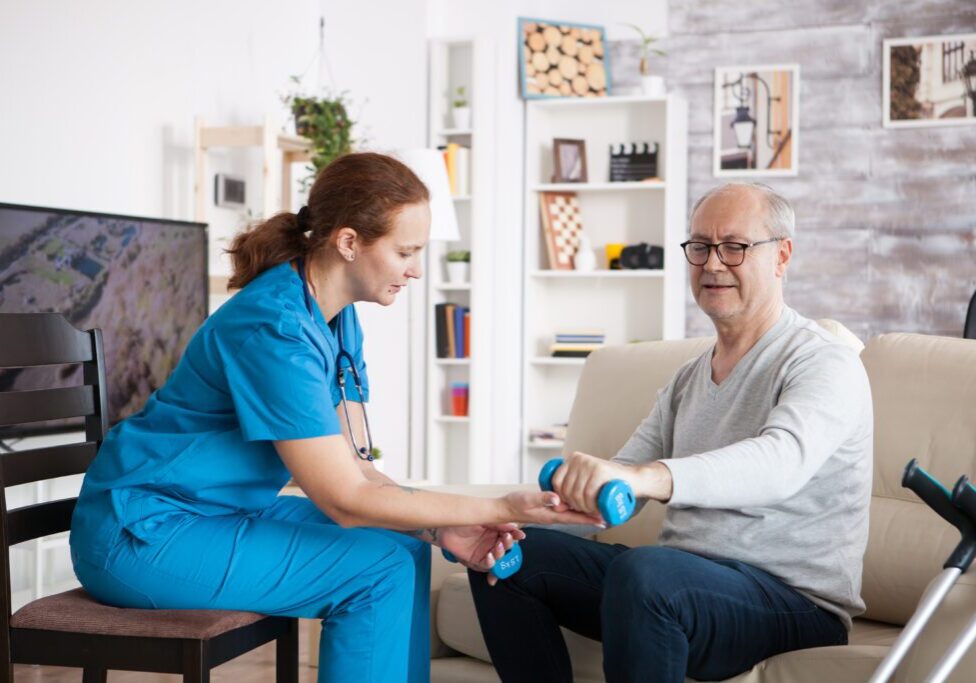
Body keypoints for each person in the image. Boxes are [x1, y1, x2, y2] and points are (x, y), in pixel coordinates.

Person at [69, 152, 599, 683]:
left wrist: (439, 527)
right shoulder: (274, 328)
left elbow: (359, 467)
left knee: (405, 546)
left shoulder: (337, 319)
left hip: (217, 513)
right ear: (348, 242)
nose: (416, 268)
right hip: (143, 531)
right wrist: (502, 504)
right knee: (376, 573)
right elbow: (344, 499)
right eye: (406, 251)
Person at [468, 182, 873, 682]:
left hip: (791, 602)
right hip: (681, 586)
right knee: (510, 556)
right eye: (700, 246)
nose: (712, 264)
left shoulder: (821, 361)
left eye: (734, 247)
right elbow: (617, 485)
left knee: (650, 573)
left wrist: (648, 477)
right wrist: (508, 520)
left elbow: (780, 462)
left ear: (781, 256)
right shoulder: (688, 378)